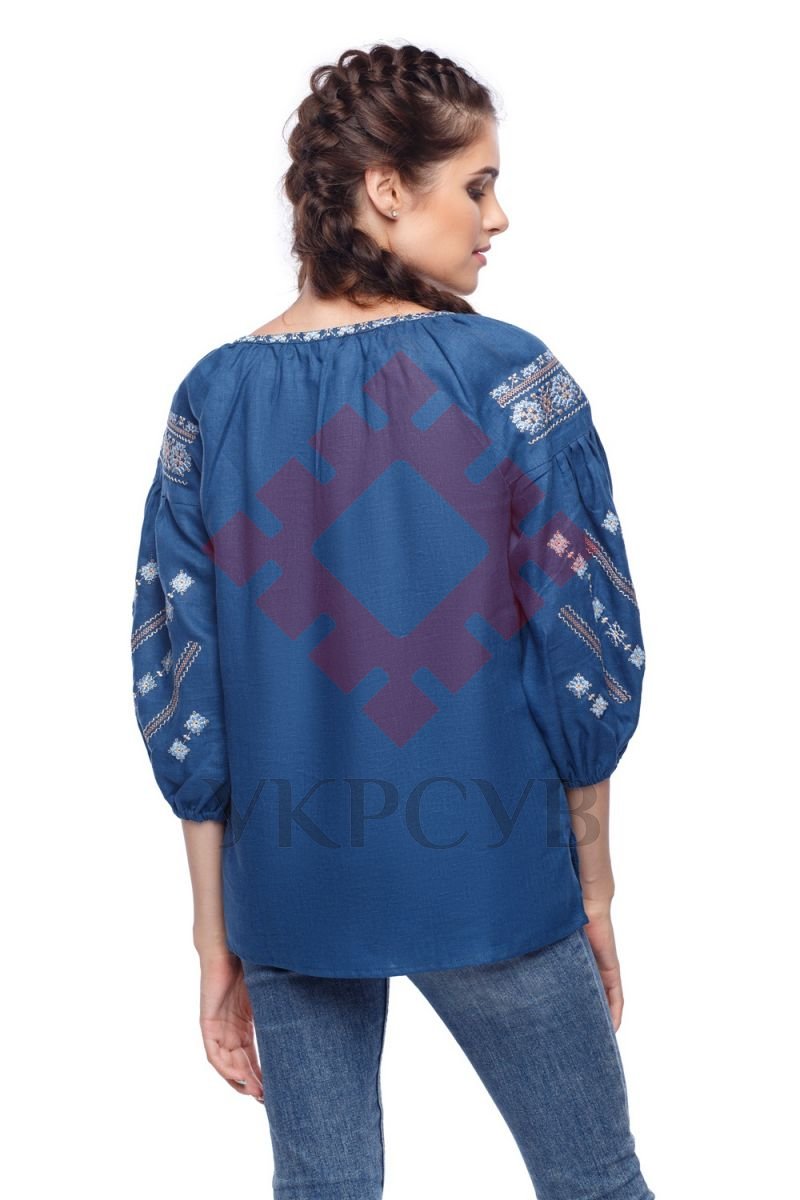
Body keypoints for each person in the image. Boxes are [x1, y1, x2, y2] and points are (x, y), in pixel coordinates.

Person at [130, 41, 655, 1200]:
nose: (497, 217)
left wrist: (214, 936)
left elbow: (182, 693)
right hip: (494, 874)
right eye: (476, 184)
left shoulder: (212, 400)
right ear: (384, 189)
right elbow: (584, 657)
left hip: (287, 891)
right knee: (595, 1182)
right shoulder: (510, 379)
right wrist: (594, 891)